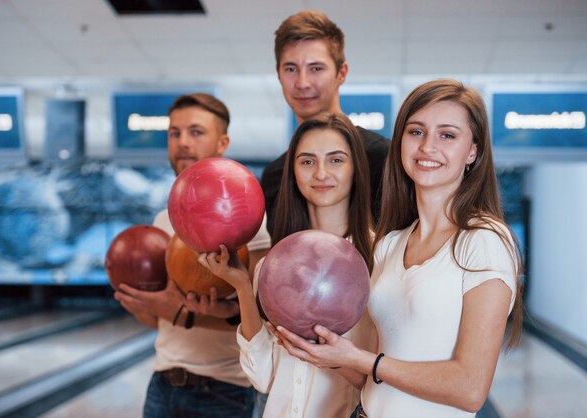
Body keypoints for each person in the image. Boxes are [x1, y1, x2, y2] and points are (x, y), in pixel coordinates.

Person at [274, 79, 524, 418]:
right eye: (416, 132)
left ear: (473, 152)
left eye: (447, 135)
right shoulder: (389, 244)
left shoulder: (484, 240)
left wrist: (362, 360)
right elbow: (372, 373)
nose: (427, 147)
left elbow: (469, 388)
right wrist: (323, 351)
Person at [199, 112, 377, 418]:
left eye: (336, 160)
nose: (321, 173)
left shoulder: (382, 257)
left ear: (356, 170)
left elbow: (386, 382)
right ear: (293, 172)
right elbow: (263, 376)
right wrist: (242, 285)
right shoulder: (275, 263)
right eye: (307, 161)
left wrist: (335, 358)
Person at [114, 93, 270, 418]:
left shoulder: (249, 217)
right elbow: (160, 318)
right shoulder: (162, 219)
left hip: (224, 390)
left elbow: (261, 320)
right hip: (162, 382)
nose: (183, 142)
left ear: (222, 142)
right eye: (175, 133)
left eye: (196, 132)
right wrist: (139, 302)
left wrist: (183, 315)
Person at [260, 9, 390, 236]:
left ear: (342, 73)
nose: (302, 82)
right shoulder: (275, 176)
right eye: (291, 69)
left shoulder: (383, 158)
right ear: (278, 74)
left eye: (316, 68)